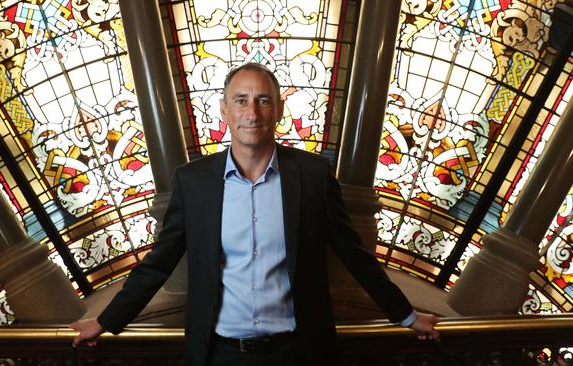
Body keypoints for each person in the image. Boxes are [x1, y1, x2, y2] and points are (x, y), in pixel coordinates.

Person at [71, 63, 440, 365]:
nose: (252, 113)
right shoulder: (193, 182)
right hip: (219, 356)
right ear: (224, 110)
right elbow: (158, 262)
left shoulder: (312, 177)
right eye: (241, 100)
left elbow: (355, 256)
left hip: (298, 353)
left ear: (278, 109)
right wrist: (104, 322)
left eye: (263, 101)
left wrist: (408, 316)